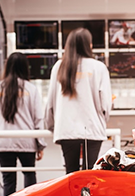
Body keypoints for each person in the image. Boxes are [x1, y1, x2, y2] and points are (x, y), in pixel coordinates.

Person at [45, 28, 111, 174]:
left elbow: (50, 102)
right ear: (89, 45)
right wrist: (102, 120)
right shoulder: (98, 67)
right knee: (89, 173)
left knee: (71, 173)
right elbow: (105, 103)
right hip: (92, 129)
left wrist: (52, 126)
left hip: (66, 129)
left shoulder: (59, 67)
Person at [0, 53, 46, 196]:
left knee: (8, 181)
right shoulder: (31, 89)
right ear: (25, 68)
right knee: (30, 178)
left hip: (2, 141)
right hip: (26, 141)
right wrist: (40, 144)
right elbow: (38, 118)